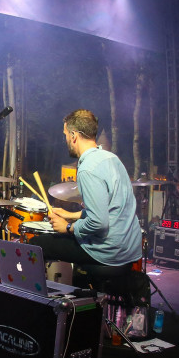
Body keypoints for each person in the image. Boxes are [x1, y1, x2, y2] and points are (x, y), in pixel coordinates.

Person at [39, 109, 142, 267]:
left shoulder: (88, 169)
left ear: (74, 136)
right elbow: (109, 210)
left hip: (109, 252)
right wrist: (71, 215)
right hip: (129, 249)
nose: (65, 139)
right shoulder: (112, 159)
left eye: (66, 134)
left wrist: (67, 227)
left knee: (37, 243)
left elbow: (98, 223)